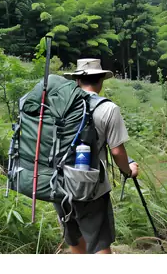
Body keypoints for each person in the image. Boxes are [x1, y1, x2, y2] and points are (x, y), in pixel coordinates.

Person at [56, 58, 139, 254]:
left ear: (77, 80)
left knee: (75, 239)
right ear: (101, 80)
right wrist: (129, 170)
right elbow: (117, 151)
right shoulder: (108, 108)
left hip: (58, 182)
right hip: (91, 186)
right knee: (100, 244)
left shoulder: (60, 105)